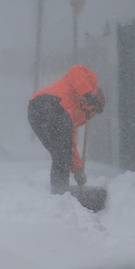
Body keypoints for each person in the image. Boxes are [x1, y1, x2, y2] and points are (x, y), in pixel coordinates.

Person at [27, 64, 104, 193]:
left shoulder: (71, 118)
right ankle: (60, 190)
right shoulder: (90, 81)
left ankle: (59, 190)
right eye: (95, 111)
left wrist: (77, 169)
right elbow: (76, 70)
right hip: (52, 103)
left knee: (61, 152)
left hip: (35, 112)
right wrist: (87, 93)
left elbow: (70, 145)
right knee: (62, 152)